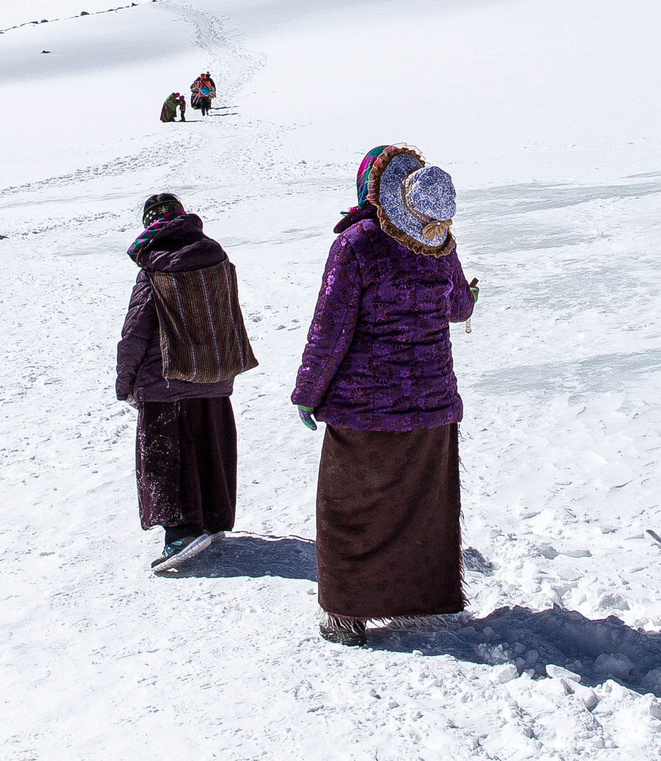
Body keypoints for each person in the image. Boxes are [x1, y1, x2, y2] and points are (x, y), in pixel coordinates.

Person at [293, 145, 478, 645]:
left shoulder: (356, 245)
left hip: (364, 408)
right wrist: (469, 296)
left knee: (349, 512)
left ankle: (346, 615)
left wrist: (308, 392)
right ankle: (419, 600)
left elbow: (330, 328)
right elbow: (459, 306)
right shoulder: (437, 239)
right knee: (418, 506)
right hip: (431, 406)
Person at [117, 192, 257, 573]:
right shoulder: (215, 256)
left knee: (165, 459)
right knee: (208, 448)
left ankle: (180, 532)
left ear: (150, 225)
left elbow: (135, 331)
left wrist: (124, 381)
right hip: (213, 375)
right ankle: (210, 520)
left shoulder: (154, 266)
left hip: (165, 381)